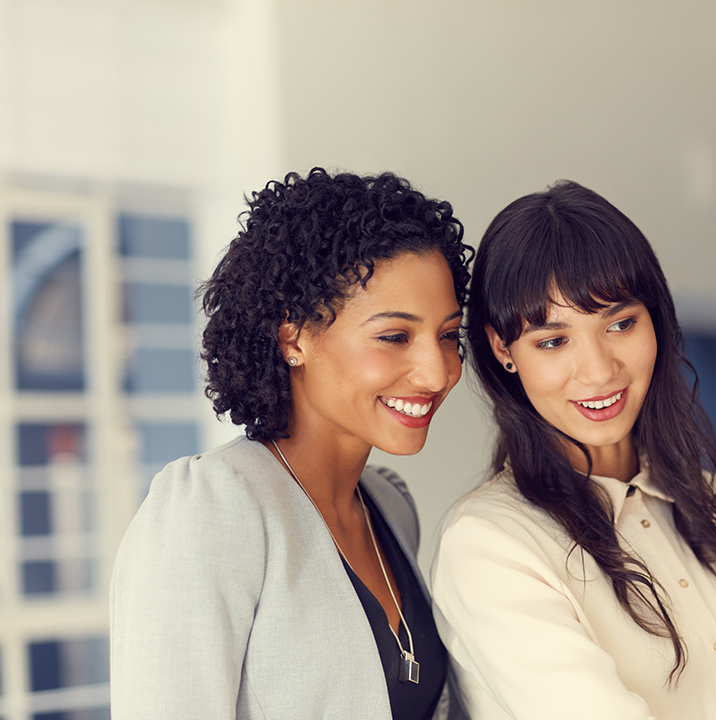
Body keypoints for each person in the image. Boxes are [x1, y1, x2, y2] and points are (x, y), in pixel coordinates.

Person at [429, 180, 716, 720]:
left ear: (656, 321)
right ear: (502, 349)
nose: (600, 370)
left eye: (621, 324)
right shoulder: (490, 542)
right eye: (553, 341)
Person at [110, 168, 472, 720]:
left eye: (448, 336)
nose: (436, 371)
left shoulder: (390, 507)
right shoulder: (211, 505)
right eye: (394, 336)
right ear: (294, 336)